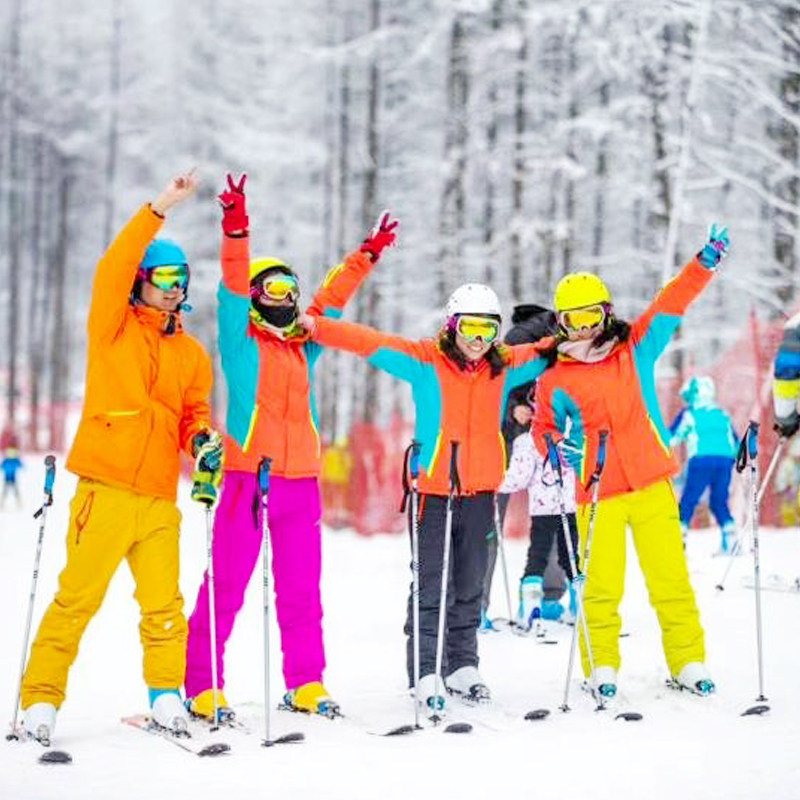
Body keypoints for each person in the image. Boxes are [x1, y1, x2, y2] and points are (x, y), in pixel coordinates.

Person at [184, 175, 397, 721]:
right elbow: (232, 287)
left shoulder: (304, 348)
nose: (285, 300)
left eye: (290, 291)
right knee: (227, 586)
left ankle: (306, 682)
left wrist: (366, 256)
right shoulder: (240, 344)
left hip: (301, 486)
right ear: (256, 299)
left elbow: (331, 302)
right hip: (245, 482)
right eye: (274, 290)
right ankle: (202, 684)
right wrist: (237, 229)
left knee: (302, 591)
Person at [20, 170, 221, 743]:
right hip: (104, 491)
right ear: (140, 282)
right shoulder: (112, 328)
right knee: (76, 601)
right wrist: (161, 206)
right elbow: (112, 265)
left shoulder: (191, 354)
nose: (175, 289)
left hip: (157, 498)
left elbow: (192, 414)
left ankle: (166, 696)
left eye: (182, 279)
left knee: (164, 606)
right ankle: (40, 701)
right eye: (164, 279)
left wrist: (200, 441)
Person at [300, 283, 552, 713]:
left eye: (488, 329)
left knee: (471, 583)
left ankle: (462, 664)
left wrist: (587, 332)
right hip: (434, 494)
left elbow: (553, 349)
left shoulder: (505, 366)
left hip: (481, 492)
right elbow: (368, 341)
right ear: (452, 326)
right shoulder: (424, 360)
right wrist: (317, 327)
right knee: (433, 584)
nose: (478, 339)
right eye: (470, 328)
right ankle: (425, 669)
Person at [532, 224, 730, 699]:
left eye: (591, 316)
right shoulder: (555, 375)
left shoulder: (634, 348)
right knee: (600, 587)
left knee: (671, 581)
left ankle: (688, 660)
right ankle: (601, 665)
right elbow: (544, 428)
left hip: (651, 484)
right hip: (597, 492)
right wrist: (556, 449)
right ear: (561, 322)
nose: (584, 328)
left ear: (606, 313)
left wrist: (702, 263)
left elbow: (671, 303)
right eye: (574, 319)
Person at [479, 304, 559, 630]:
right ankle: (546, 596)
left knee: (549, 514)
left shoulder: (560, 337)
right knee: (545, 515)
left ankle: (479, 603)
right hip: (509, 439)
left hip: (535, 435)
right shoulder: (521, 339)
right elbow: (496, 385)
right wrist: (515, 408)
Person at [497, 390, 579, 633]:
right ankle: (580, 603)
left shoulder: (526, 440)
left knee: (537, 556)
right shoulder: (572, 437)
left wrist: (495, 484)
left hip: (543, 510)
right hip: (570, 507)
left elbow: (518, 478)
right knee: (570, 555)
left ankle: (530, 606)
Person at [669, 376, 738, 552]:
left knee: (689, 499)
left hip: (701, 460)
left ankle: (678, 540)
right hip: (725, 461)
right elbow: (736, 442)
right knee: (719, 500)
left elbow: (672, 437)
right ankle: (730, 540)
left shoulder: (689, 414)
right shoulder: (722, 414)